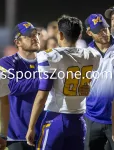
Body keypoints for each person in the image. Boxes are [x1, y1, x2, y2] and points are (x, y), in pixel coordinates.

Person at [26, 15, 100, 150]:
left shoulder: (50, 56)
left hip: (56, 118)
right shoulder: (93, 55)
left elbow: (42, 95)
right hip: (79, 121)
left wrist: (31, 127)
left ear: (60, 34)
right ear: (79, 35)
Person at [0, 22, 45, 150]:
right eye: (29, 35)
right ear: (17, 42)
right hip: (17, 134)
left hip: (44, 131)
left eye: (36, 34)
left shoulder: (47, 60)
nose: (35, 37)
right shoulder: (6, 62)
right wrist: (45, 80)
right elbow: (12, 87)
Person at [84, 14, 114, 150]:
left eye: (105, 29)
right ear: (89, 32)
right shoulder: (85, 54)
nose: (104, 33)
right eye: (98, 31)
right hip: (92, 117)